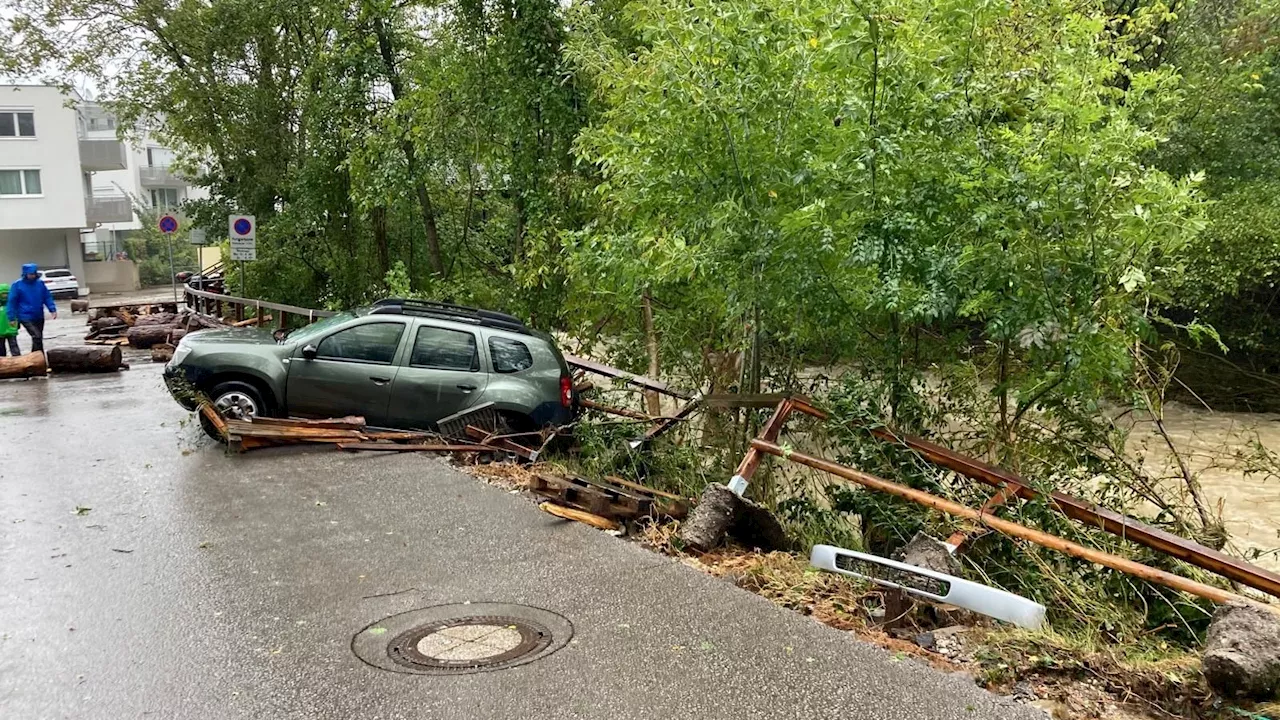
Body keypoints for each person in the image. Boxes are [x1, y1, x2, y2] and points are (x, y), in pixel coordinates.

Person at [5, 263, 57, 353]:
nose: (32, 276)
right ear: (25, 274)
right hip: (25, 315)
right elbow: (12, 301)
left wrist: (52, 309)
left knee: (38, 337)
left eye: (33, 274)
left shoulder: (40, 283)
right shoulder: (17, 285)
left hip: (38, 315)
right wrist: (11, 317)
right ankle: (37, 357)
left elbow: (47, 297)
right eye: (30, 274)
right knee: (36, 336)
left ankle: (37, 358)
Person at [0, 283, 19, 356]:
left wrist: (18, 324)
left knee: (14, 346)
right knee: (1, 348)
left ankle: (17, 360)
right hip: (1, 331)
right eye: (3, 294)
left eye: (6, 294)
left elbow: (17, 314)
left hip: (11, 329)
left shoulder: (13, 304)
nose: (5, 296)